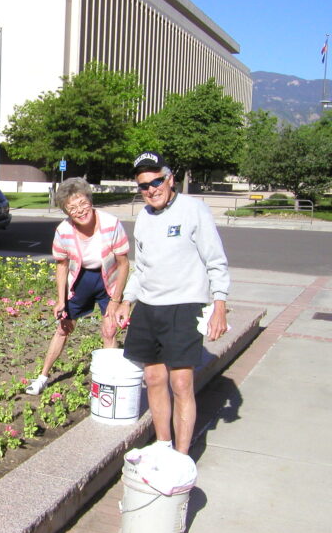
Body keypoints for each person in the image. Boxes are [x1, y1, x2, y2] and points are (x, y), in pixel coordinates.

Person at [116, 152, 229, 455]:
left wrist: (219, 304)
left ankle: (181, 455)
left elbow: (216, 261)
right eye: (144, 185)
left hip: (184, 306)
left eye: (156, 181)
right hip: (149, 308)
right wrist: (127, 300)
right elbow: (142, 266)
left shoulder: (194, 210)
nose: (151, 189)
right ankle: (163, 445)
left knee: (181, 383)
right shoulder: (143, 218)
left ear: (170, 179)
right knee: (153, 377)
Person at [26, 177, 130, 395]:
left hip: (107, 279)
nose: (80, 210)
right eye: (72, 208)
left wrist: (116, 299)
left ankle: (108, 382)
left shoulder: (111, 224)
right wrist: (61, 300)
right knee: (63, 327)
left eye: (83, 203)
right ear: (66, 212)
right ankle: (43, 377)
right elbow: (62, 266)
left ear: (90, 200)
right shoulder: (63, 231)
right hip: (81, 279)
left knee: (109, 330)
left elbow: (123, 263)